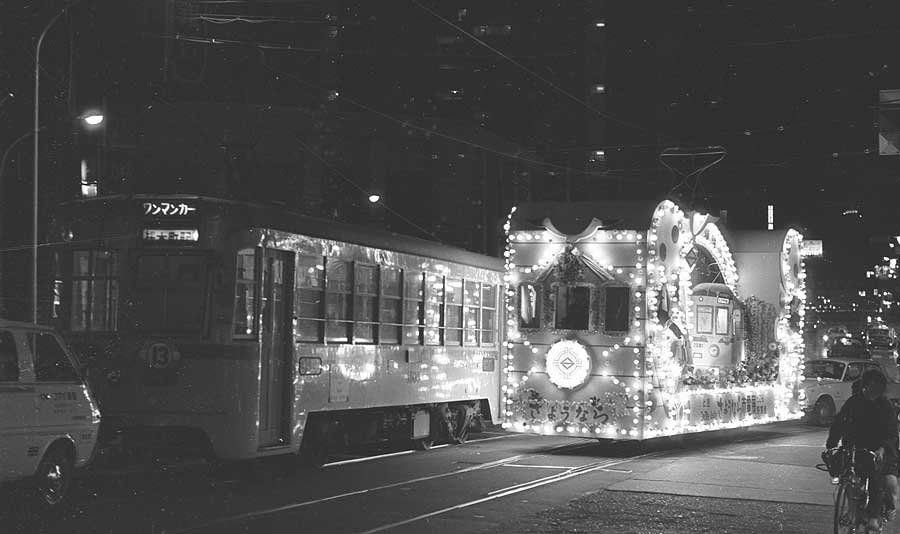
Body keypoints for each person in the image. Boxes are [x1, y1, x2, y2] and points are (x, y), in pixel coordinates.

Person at [826, 369, 900, 533]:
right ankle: (852, 512)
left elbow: (891, 433)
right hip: (855, 448)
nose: (870, 389)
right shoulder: (854, 402)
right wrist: (831, 445)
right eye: (868, 386)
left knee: (879, 479)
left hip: (879, 450)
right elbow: (839, 423)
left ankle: (876, 515)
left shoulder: (886, 406)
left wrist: (882, 449)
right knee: (848, 475)